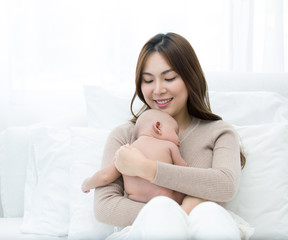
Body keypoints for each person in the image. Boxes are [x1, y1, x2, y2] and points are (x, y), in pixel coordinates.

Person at [94, 32, 249, 239]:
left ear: (190, 78)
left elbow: (225, 185)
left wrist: (147, 169)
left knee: (209, 213)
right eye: (148, 80)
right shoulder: (125, 136)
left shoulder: (219, 132)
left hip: (206, 226)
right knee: (162, 210)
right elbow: (104, 206)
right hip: (146, 230)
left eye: (169, 78)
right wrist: (174, 213)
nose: (158, 90)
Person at [82, 109, 205, 214]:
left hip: (135, 202)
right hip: (168, 200)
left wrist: (88, 183)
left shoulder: (126, 152)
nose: (178, 140)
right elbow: (184, 174)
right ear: (158, 127)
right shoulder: (169, 146)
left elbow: (105, 176)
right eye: (175, 132)